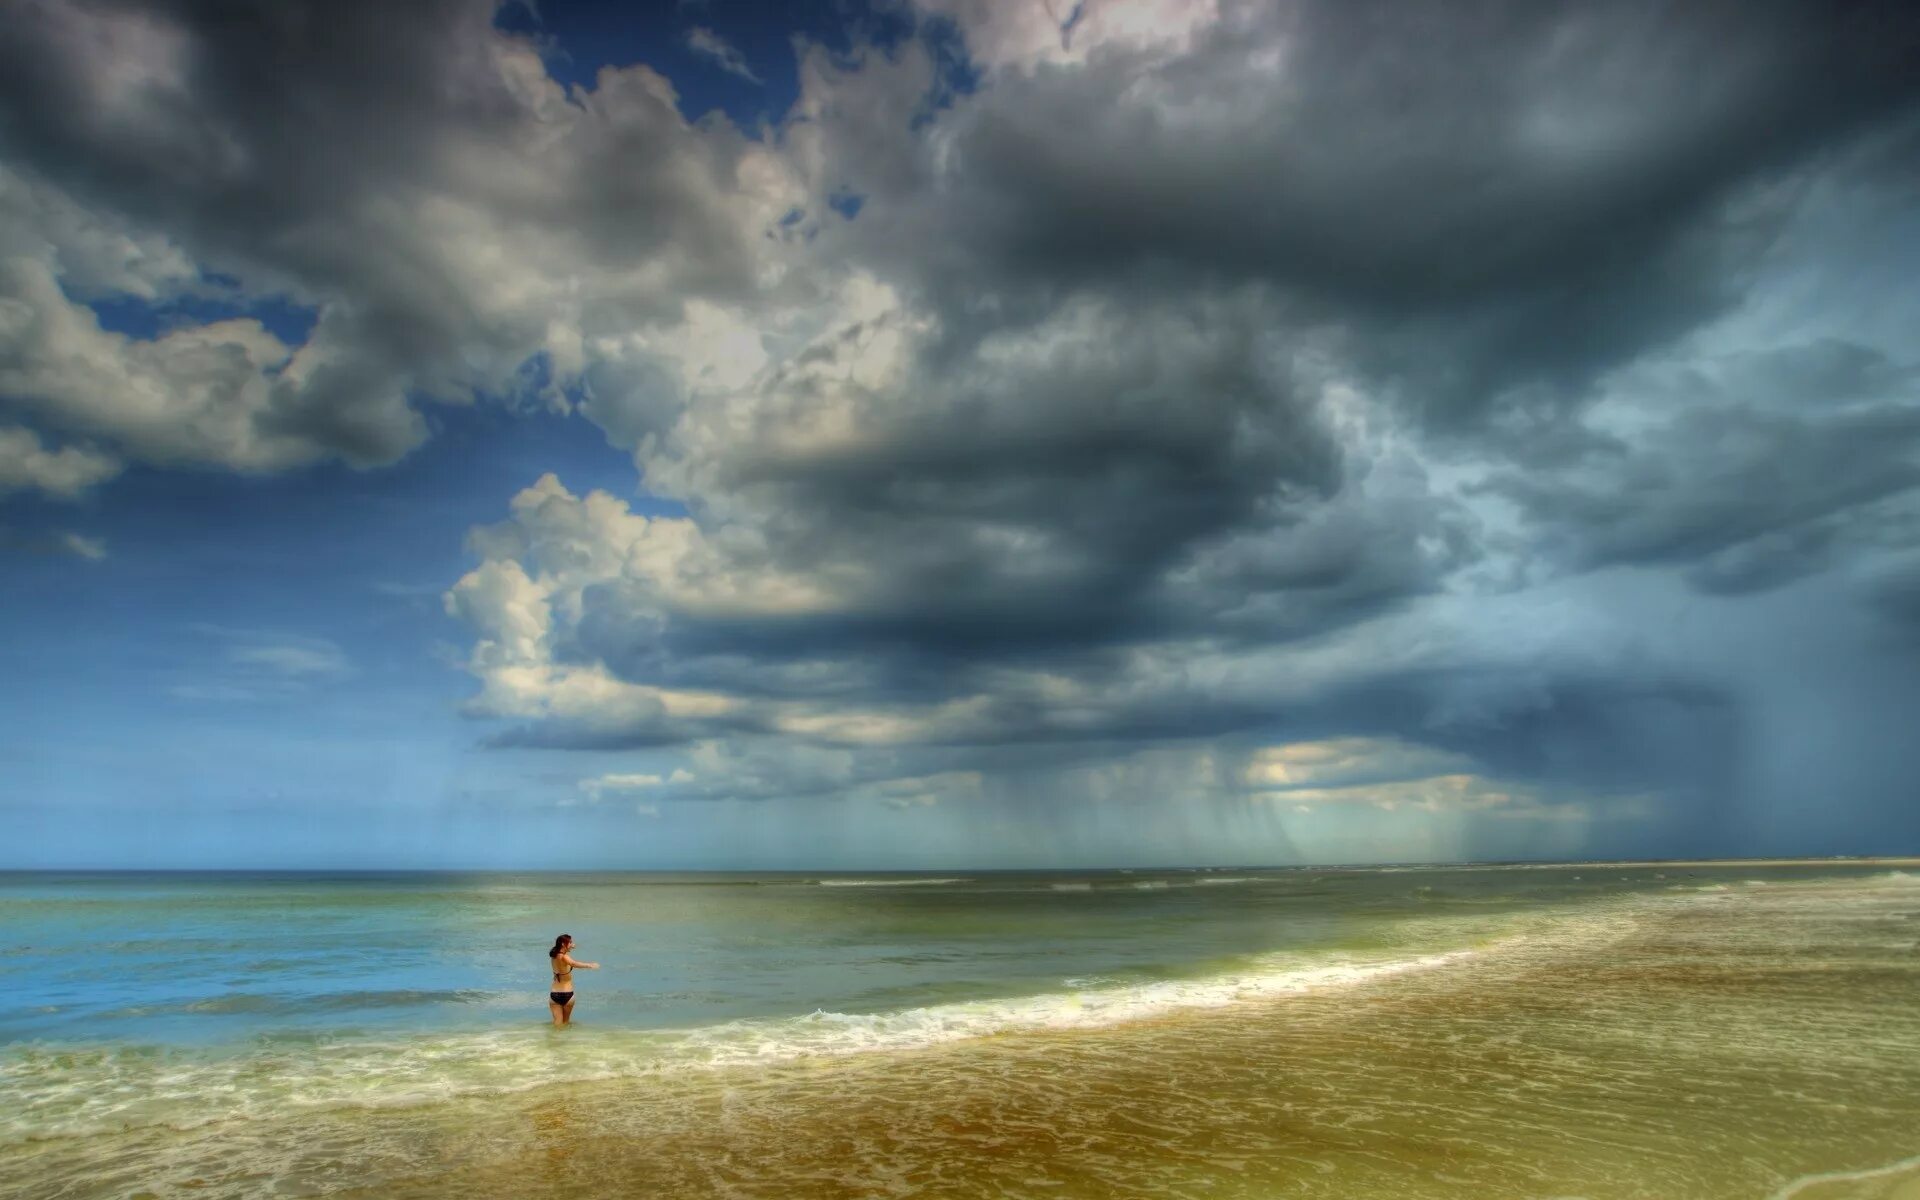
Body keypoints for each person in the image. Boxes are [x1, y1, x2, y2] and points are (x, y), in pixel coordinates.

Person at [546, 933, 599, 1027]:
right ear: (563, 944)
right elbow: (573, 963)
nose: (572, 944)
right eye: (570, 942)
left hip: (554, 994)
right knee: (565, 1023)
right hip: (567, 994)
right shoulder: (565, 957)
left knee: (557, 1023)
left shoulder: (554, 956)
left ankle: (555, 1040)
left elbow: (561, 953)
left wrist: (570, 947)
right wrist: (590, 965)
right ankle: (565, 1040)